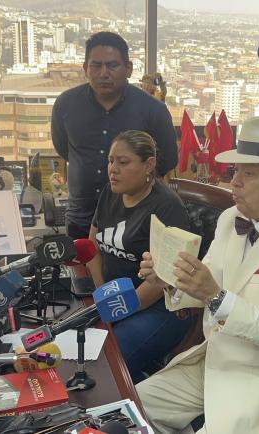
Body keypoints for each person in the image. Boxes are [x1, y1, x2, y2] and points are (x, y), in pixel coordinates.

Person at [136, 116, 259, 433]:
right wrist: (169, 280)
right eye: (235, 171)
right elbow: (206, 282)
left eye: (249, 173)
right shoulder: (231, 218)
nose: (234, 182)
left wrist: (214, 296)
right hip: (212, 362)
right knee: (128, 409)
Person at [86, 130, 192, 384]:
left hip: (158, 307)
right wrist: (102, 294)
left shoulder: (168, 207)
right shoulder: (110, 192)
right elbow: (92, 245)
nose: (113, 169)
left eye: (123, 162)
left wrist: (114, 310)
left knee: (104, 361)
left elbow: (162, 279)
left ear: (149, 165)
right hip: (113, 299)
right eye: (111, 161)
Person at [52, 31, 178, 239]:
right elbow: (65, 149)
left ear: (128, 68)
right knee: (80, 261)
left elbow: (167, 159)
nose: (104, 73)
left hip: (134, 224)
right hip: (81, 218)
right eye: (96, 65)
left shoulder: (152, 110)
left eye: (112, 65)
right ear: (85, 68)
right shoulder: (66, 104)